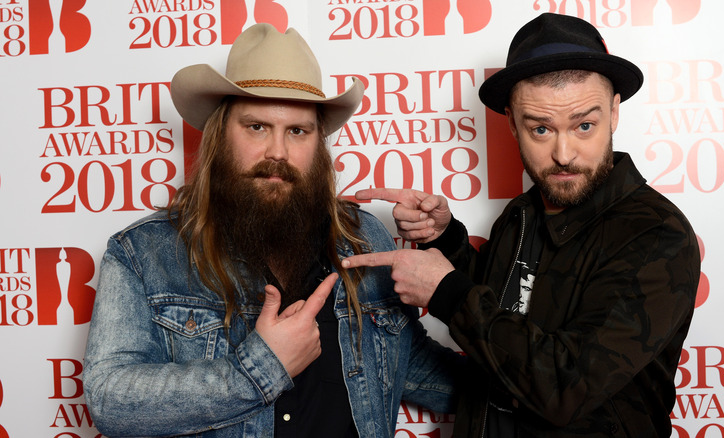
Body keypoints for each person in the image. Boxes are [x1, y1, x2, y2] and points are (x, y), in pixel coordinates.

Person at [83, 24, 461, 438]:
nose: (277, 152)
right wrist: (260, 369)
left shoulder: (364, 236)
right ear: (219, 136)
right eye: (257, 127)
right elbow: (111, 400)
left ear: (319, 144)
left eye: (297, 131)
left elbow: (407, 363)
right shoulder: (144, 251)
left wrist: (526, 379)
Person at [341, 13, 701, 437]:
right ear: (512, 122)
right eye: (541, 129)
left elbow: (567, 387)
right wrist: (445, 238)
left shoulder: (656, 233)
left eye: (585, 125)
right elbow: (505, 307)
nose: (564, 153)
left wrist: (449, 294)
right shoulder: (522, 213)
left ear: (615, 113)